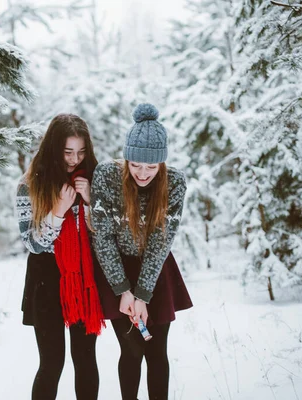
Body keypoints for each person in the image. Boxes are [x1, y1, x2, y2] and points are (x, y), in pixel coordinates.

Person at [90, 103, 193, 400]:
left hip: (155, 269)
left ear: (161, 163)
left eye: (151, 166)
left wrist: (144, 295)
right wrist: (123, 290)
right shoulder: (107, 176)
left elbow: (162, 241)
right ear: (126, 159)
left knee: (157, 349)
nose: (143, 173)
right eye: (135, 165)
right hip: (116, 269)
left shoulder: (174, 183)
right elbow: (103, 238)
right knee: (132, 349)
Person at [16, 114, 105, 400]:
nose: (74, 159)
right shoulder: (29, 185)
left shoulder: (94, 179)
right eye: (67, 152)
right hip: (46, 282)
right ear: (54, 149)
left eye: (80, 152)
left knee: (85, 360)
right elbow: (33, 244)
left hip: (83, 281)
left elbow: (104, 236)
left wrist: (91, 202)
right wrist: (57, 212)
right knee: (52, 363)